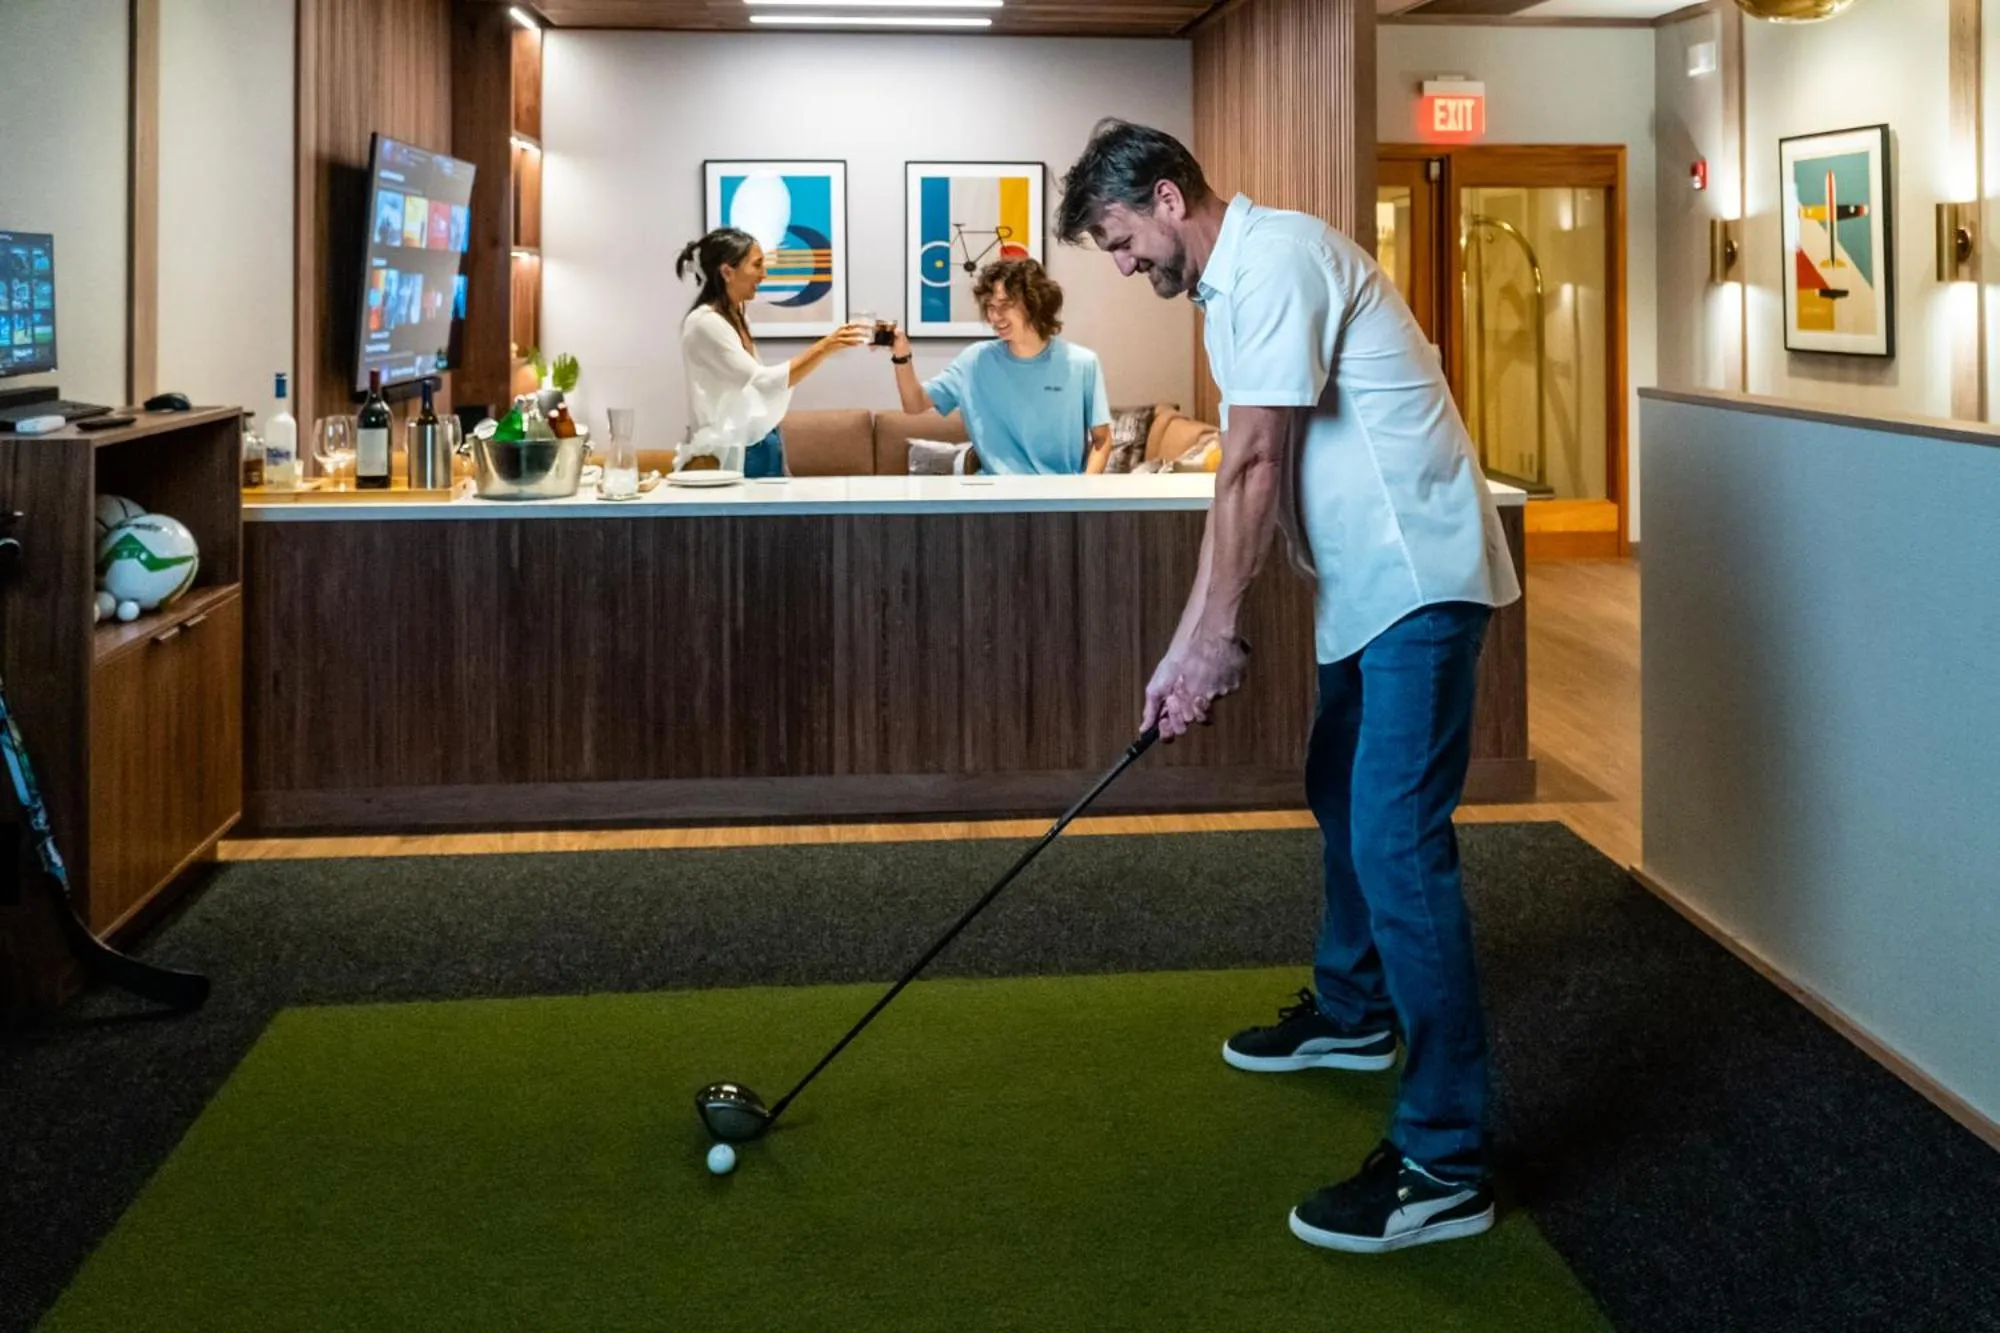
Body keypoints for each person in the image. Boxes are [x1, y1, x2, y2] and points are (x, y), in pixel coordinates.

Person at [1056, 120, 1521, 1255]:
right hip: (1361, 591)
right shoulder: (1233, 287)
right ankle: (1354, 1016)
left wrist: (1202, 641)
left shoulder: (1271, 262)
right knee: (1337, 794)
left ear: (1167, 199)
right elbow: (1269, 466)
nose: (1121, 266)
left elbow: (1253, 463)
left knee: (1394, 844)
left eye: (1119, 242)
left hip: (1414, 581)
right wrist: (1195, 638)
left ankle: (1443, 1164)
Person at [887, 257, 1113, 475]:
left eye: (1005, 306)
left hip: (1059, 498)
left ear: (1034, 303)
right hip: (994, 498)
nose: (995, 317)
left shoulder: (1082, 364)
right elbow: (914, 404)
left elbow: (1102, 440)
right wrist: (901, 357)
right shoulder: (975, 361)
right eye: (990, 307)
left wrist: (1082, 494)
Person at [676, 228, 869, 477]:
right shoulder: (705, 323)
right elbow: (761, 383)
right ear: (727, 272)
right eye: (757, 265)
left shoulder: (737, 315)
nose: (764, 274)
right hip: (734, 450)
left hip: (759, 442)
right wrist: (825, 346)